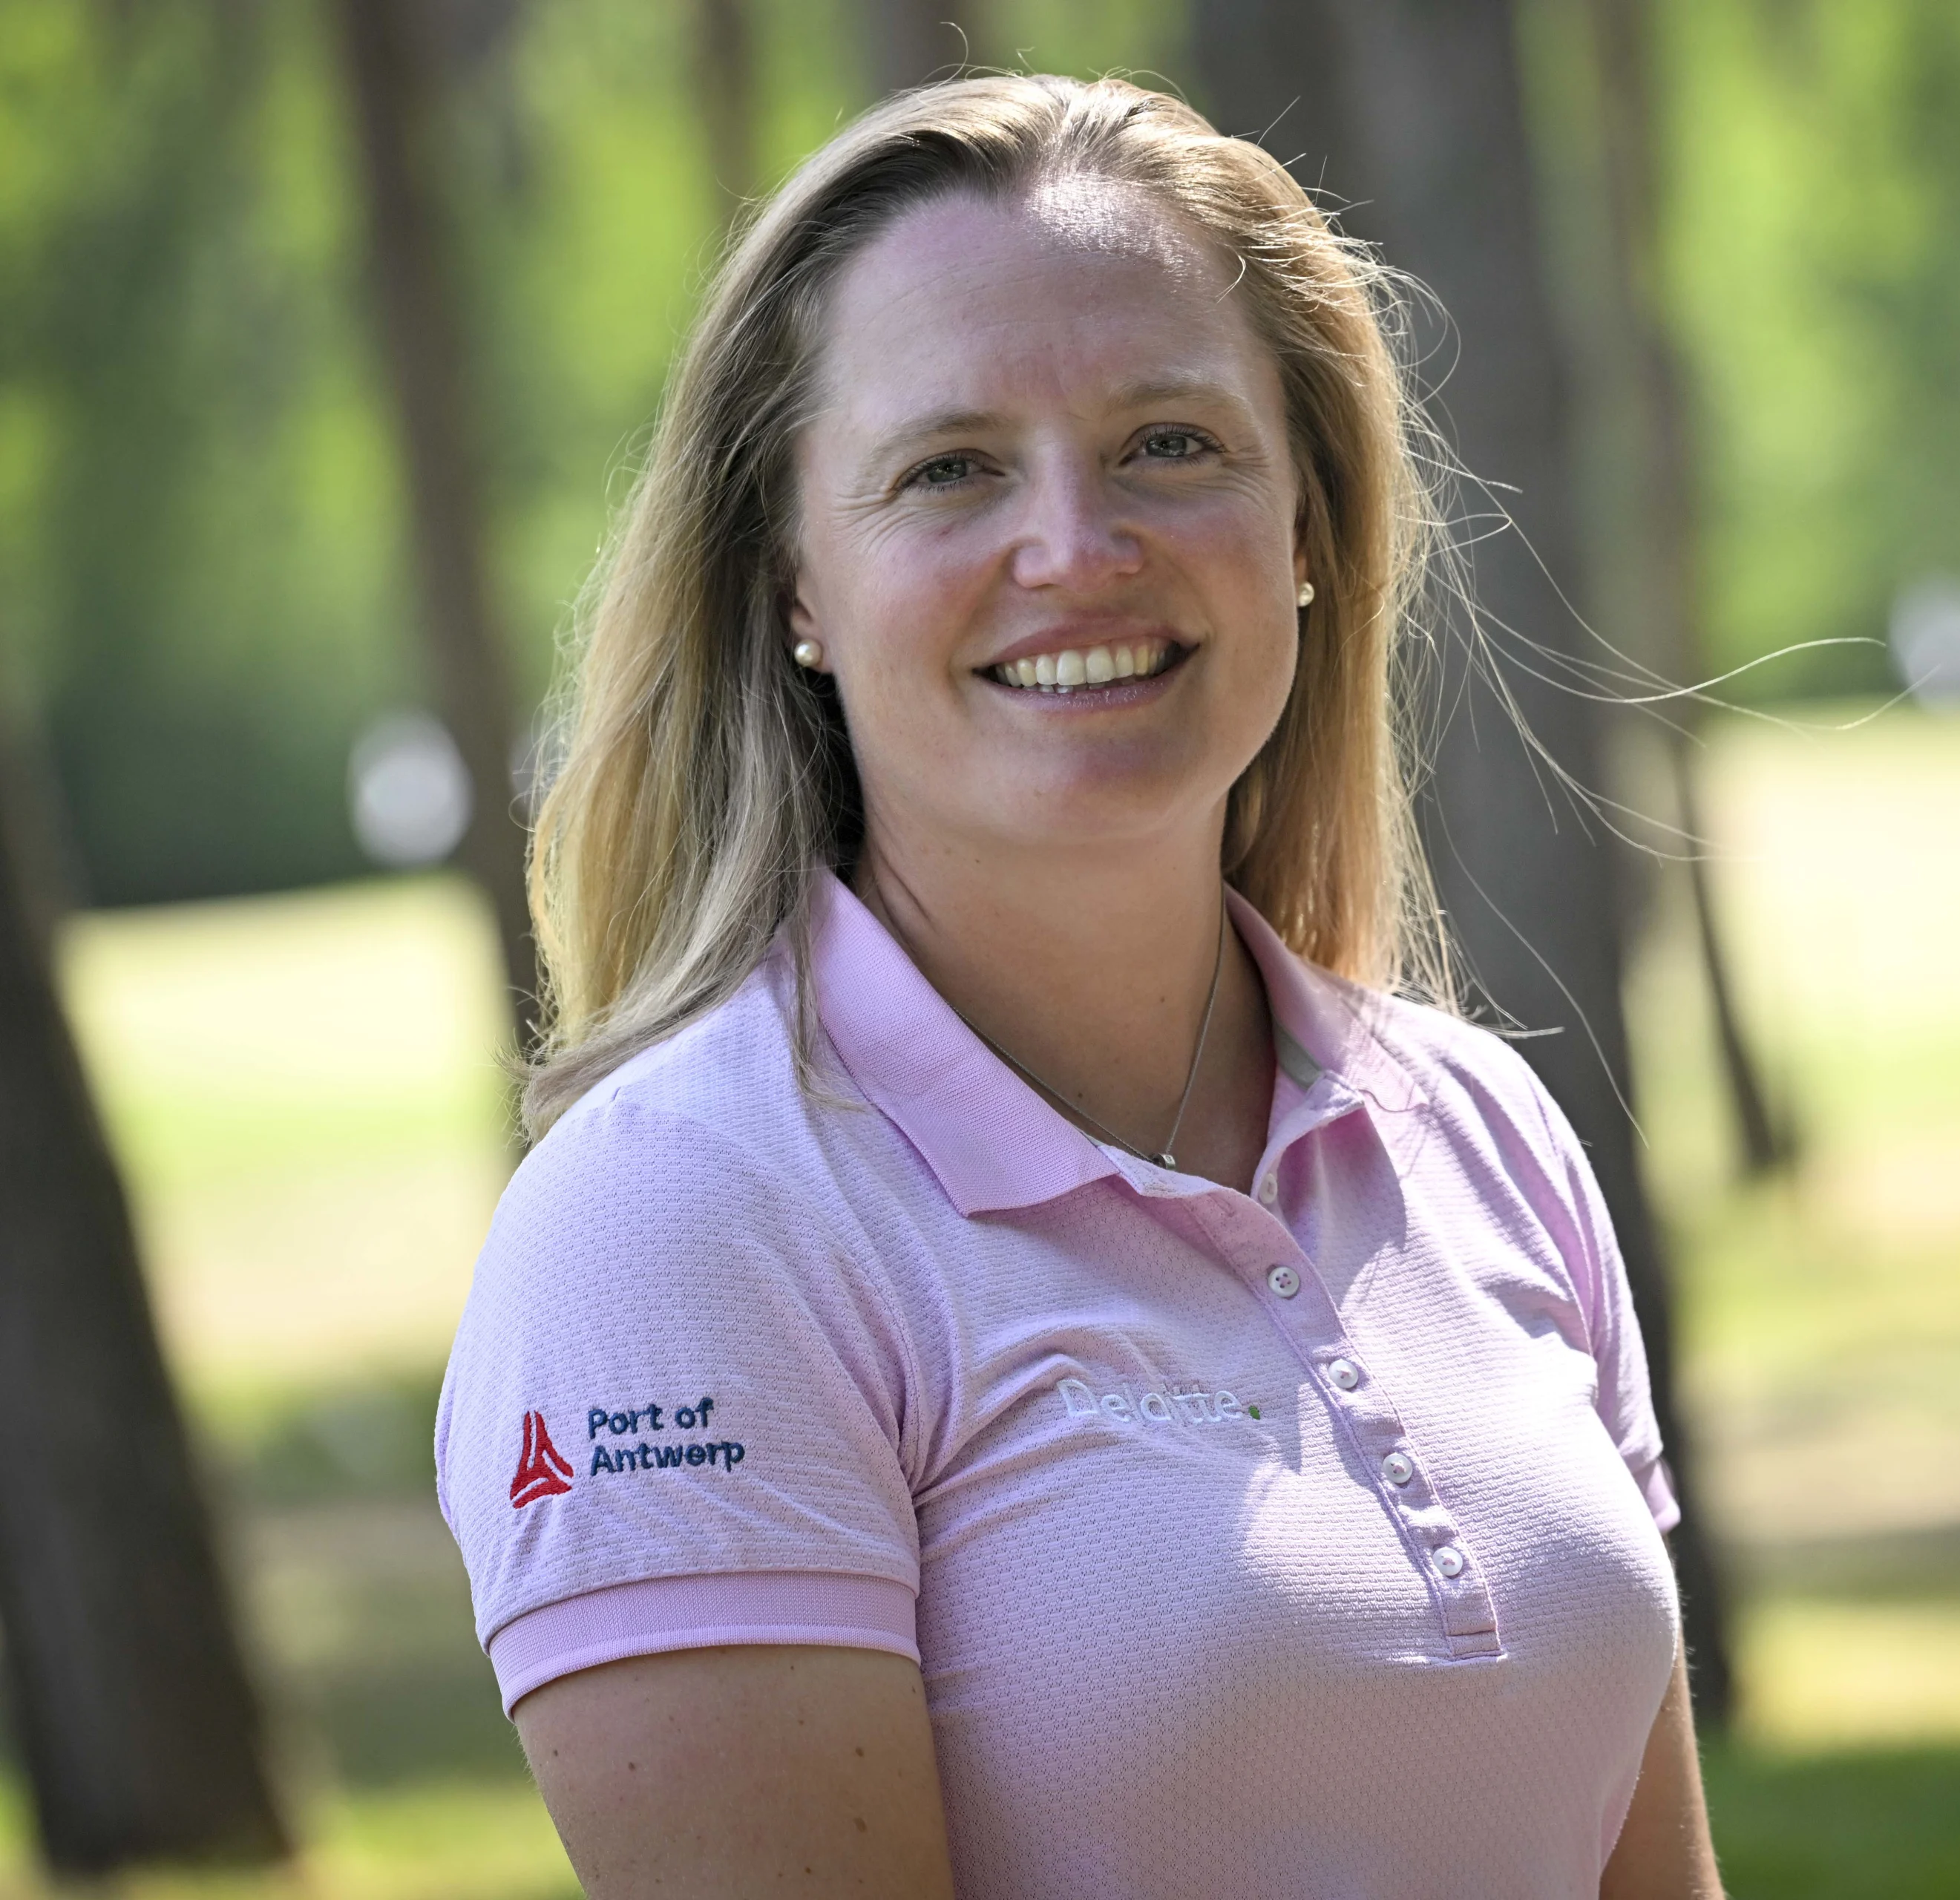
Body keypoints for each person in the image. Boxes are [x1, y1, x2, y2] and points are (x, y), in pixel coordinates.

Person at [434, 73, 1721, 1899]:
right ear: (792, 578)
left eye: (1169, 444)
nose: (1075, 546)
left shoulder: (1477, 1128)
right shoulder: (680, 1223)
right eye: (950, 467)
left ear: (1306, 524)